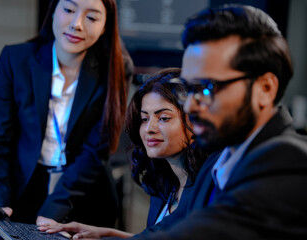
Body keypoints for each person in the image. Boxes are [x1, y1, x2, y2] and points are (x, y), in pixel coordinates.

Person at [112, 4, 307, 240]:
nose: (191, 106)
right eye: (190, 91)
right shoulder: (217, 163)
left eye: (206, 88)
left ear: (265, 88)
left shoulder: (287, 160)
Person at [0, 0, 134, 228]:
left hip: (86, 197)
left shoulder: (115, 68)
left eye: (92, 17)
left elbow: (96, 149)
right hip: (23, 193)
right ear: (53, 12)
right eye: (68, 10)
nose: (77, 24)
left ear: (105, 25)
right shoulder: (15, 60)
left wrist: (54, 209)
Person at [38, 68, 207, 239]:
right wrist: (105, 234)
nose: (149, 129)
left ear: (197, 121)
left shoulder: (206, 185)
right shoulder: (166, 183)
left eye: (163, 118)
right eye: (144, 119)